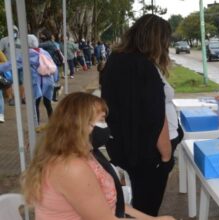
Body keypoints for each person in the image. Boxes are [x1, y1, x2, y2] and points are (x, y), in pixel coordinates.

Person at [21, 92, 174, 220]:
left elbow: (113, 204)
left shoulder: (86, 153)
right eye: (101, 120)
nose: (106, 126)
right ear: (79, 124)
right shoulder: (71, 167)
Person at [101, 14, 173, 216]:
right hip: (147, 153)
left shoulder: (114, 61)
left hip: (121, 147)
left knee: (133, 202)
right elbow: (157, 119)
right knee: (147, 208)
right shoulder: (145, 69)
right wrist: (167, 157)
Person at [0, 34, 56, 124]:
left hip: (36, 82)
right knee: (47, 103)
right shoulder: (44, 52)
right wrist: (55, 79)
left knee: (35, 104)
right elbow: (53, 66)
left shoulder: (27, 54)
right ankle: (53, 123)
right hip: (48, 81)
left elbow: (11, 64)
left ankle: (36, 125)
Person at [0, 25, 25, 106]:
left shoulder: (21, 41)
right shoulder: (4, 40)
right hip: (8, 66)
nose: (14, 32)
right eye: (12, 31)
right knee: (8, 83)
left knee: (21, 82)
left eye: (15, 31)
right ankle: (10, 98)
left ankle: (21, 98)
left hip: (20, 65)